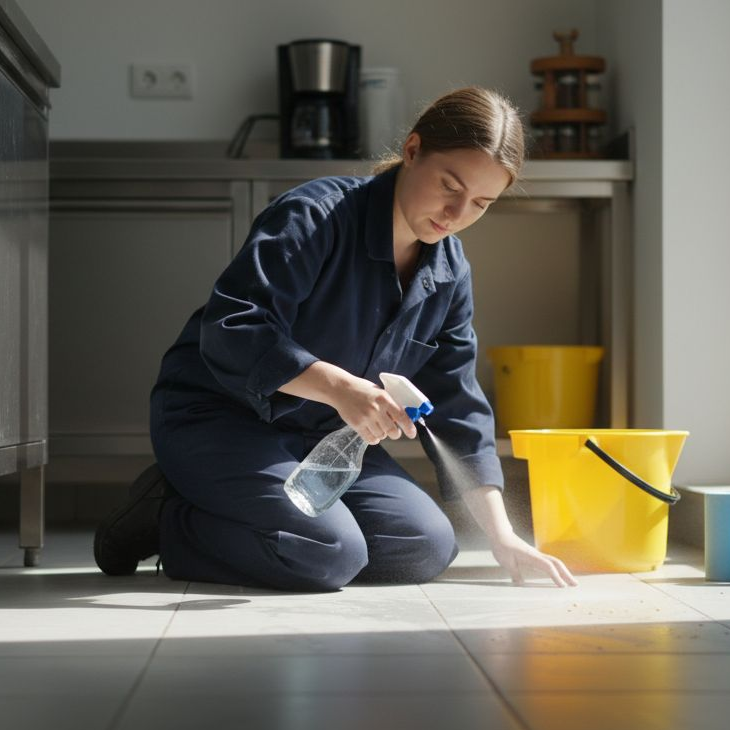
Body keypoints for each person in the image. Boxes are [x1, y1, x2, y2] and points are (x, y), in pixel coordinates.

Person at [94, 87, 577, 591]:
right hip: (219, 419)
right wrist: (341, 389)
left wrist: (504, 536)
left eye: (481, 203)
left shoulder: (449, 272)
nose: (456, 214)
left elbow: (457, 404)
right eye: (449, 186)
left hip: (324, 439)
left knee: (426, 547)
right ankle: (166, 518)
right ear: (412, 151)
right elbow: (233, 327)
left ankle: (285, 527)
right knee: (329, 551)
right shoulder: (314, 216)